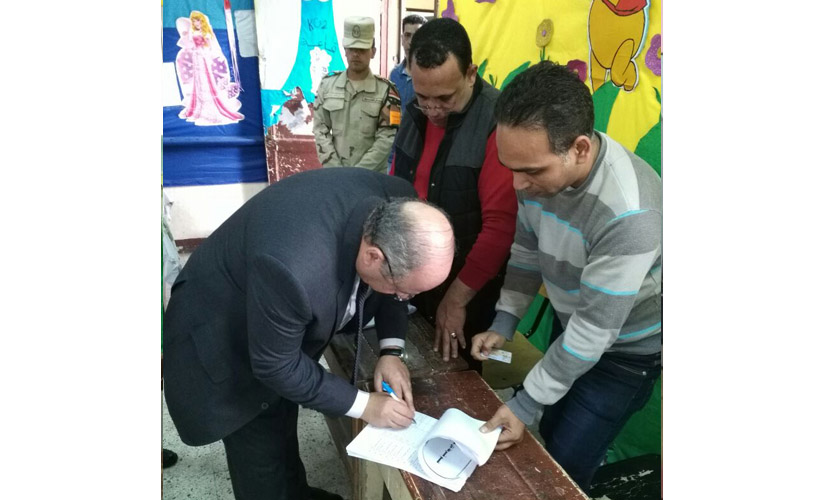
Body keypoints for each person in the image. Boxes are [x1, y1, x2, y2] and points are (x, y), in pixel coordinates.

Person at [163, 168, 455, 500]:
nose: (404, 299)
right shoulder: (295, 269)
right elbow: (277, 366)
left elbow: (396, 287)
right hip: (222, 331)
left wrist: (391, 351)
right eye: (404, 292)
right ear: (373, 256)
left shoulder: (400, 207)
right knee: (259, 442)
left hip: (273, 311)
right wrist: (364, 405)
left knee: (282, 417)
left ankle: (295, 492)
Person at [473, 61, 662, 494]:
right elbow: (526, 250)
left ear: (579, 148)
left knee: (566, 464)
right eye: (509, 166)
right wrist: (505, 321)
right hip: (576, 326)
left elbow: (593, 333)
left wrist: (524, 404)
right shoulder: (538, 178)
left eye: (532, 171)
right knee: (552, 427)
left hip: (625, 353)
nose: (517, 185)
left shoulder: (629, 214)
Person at [390, 18, 517, 366]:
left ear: (471, 74)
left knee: (455, 372)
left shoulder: (495, 121)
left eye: (445, 97)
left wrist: (458, 298)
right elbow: (396, 188)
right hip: (414, 273)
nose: (432, 109)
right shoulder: (415, 111)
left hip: (469, 281)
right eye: (423, 96)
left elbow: (500, 228)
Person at [312, 17, 401, 171]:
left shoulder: (388, 91)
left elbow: (387, 138)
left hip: (371, 176)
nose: (356, 54)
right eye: (351, 48)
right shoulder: (327, 85)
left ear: (373, 52)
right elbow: (320, 130)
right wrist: (336, 169)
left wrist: (357, 174)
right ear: (344, 50)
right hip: (335, 174)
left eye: (362, 49)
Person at [174, 10, 244, 126]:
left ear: (202, 21)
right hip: (196, 59)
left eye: (198, 21)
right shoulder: (192, 32)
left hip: (204, 59)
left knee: (207, 80)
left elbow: (211, 47)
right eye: (194, 21)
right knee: (198, 82)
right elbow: (188, 44)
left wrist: (205, 53)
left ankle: (211, 105)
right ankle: (199, 106)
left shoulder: (207, 33)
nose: (196, 23)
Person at [387, 14, 426, 172]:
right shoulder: (395, 75)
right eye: (408, 35)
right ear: (402, 39)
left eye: (416, 36)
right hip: (396, 151)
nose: (411, 41)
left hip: (421, 151)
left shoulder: (429, 75)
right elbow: (392, 113)